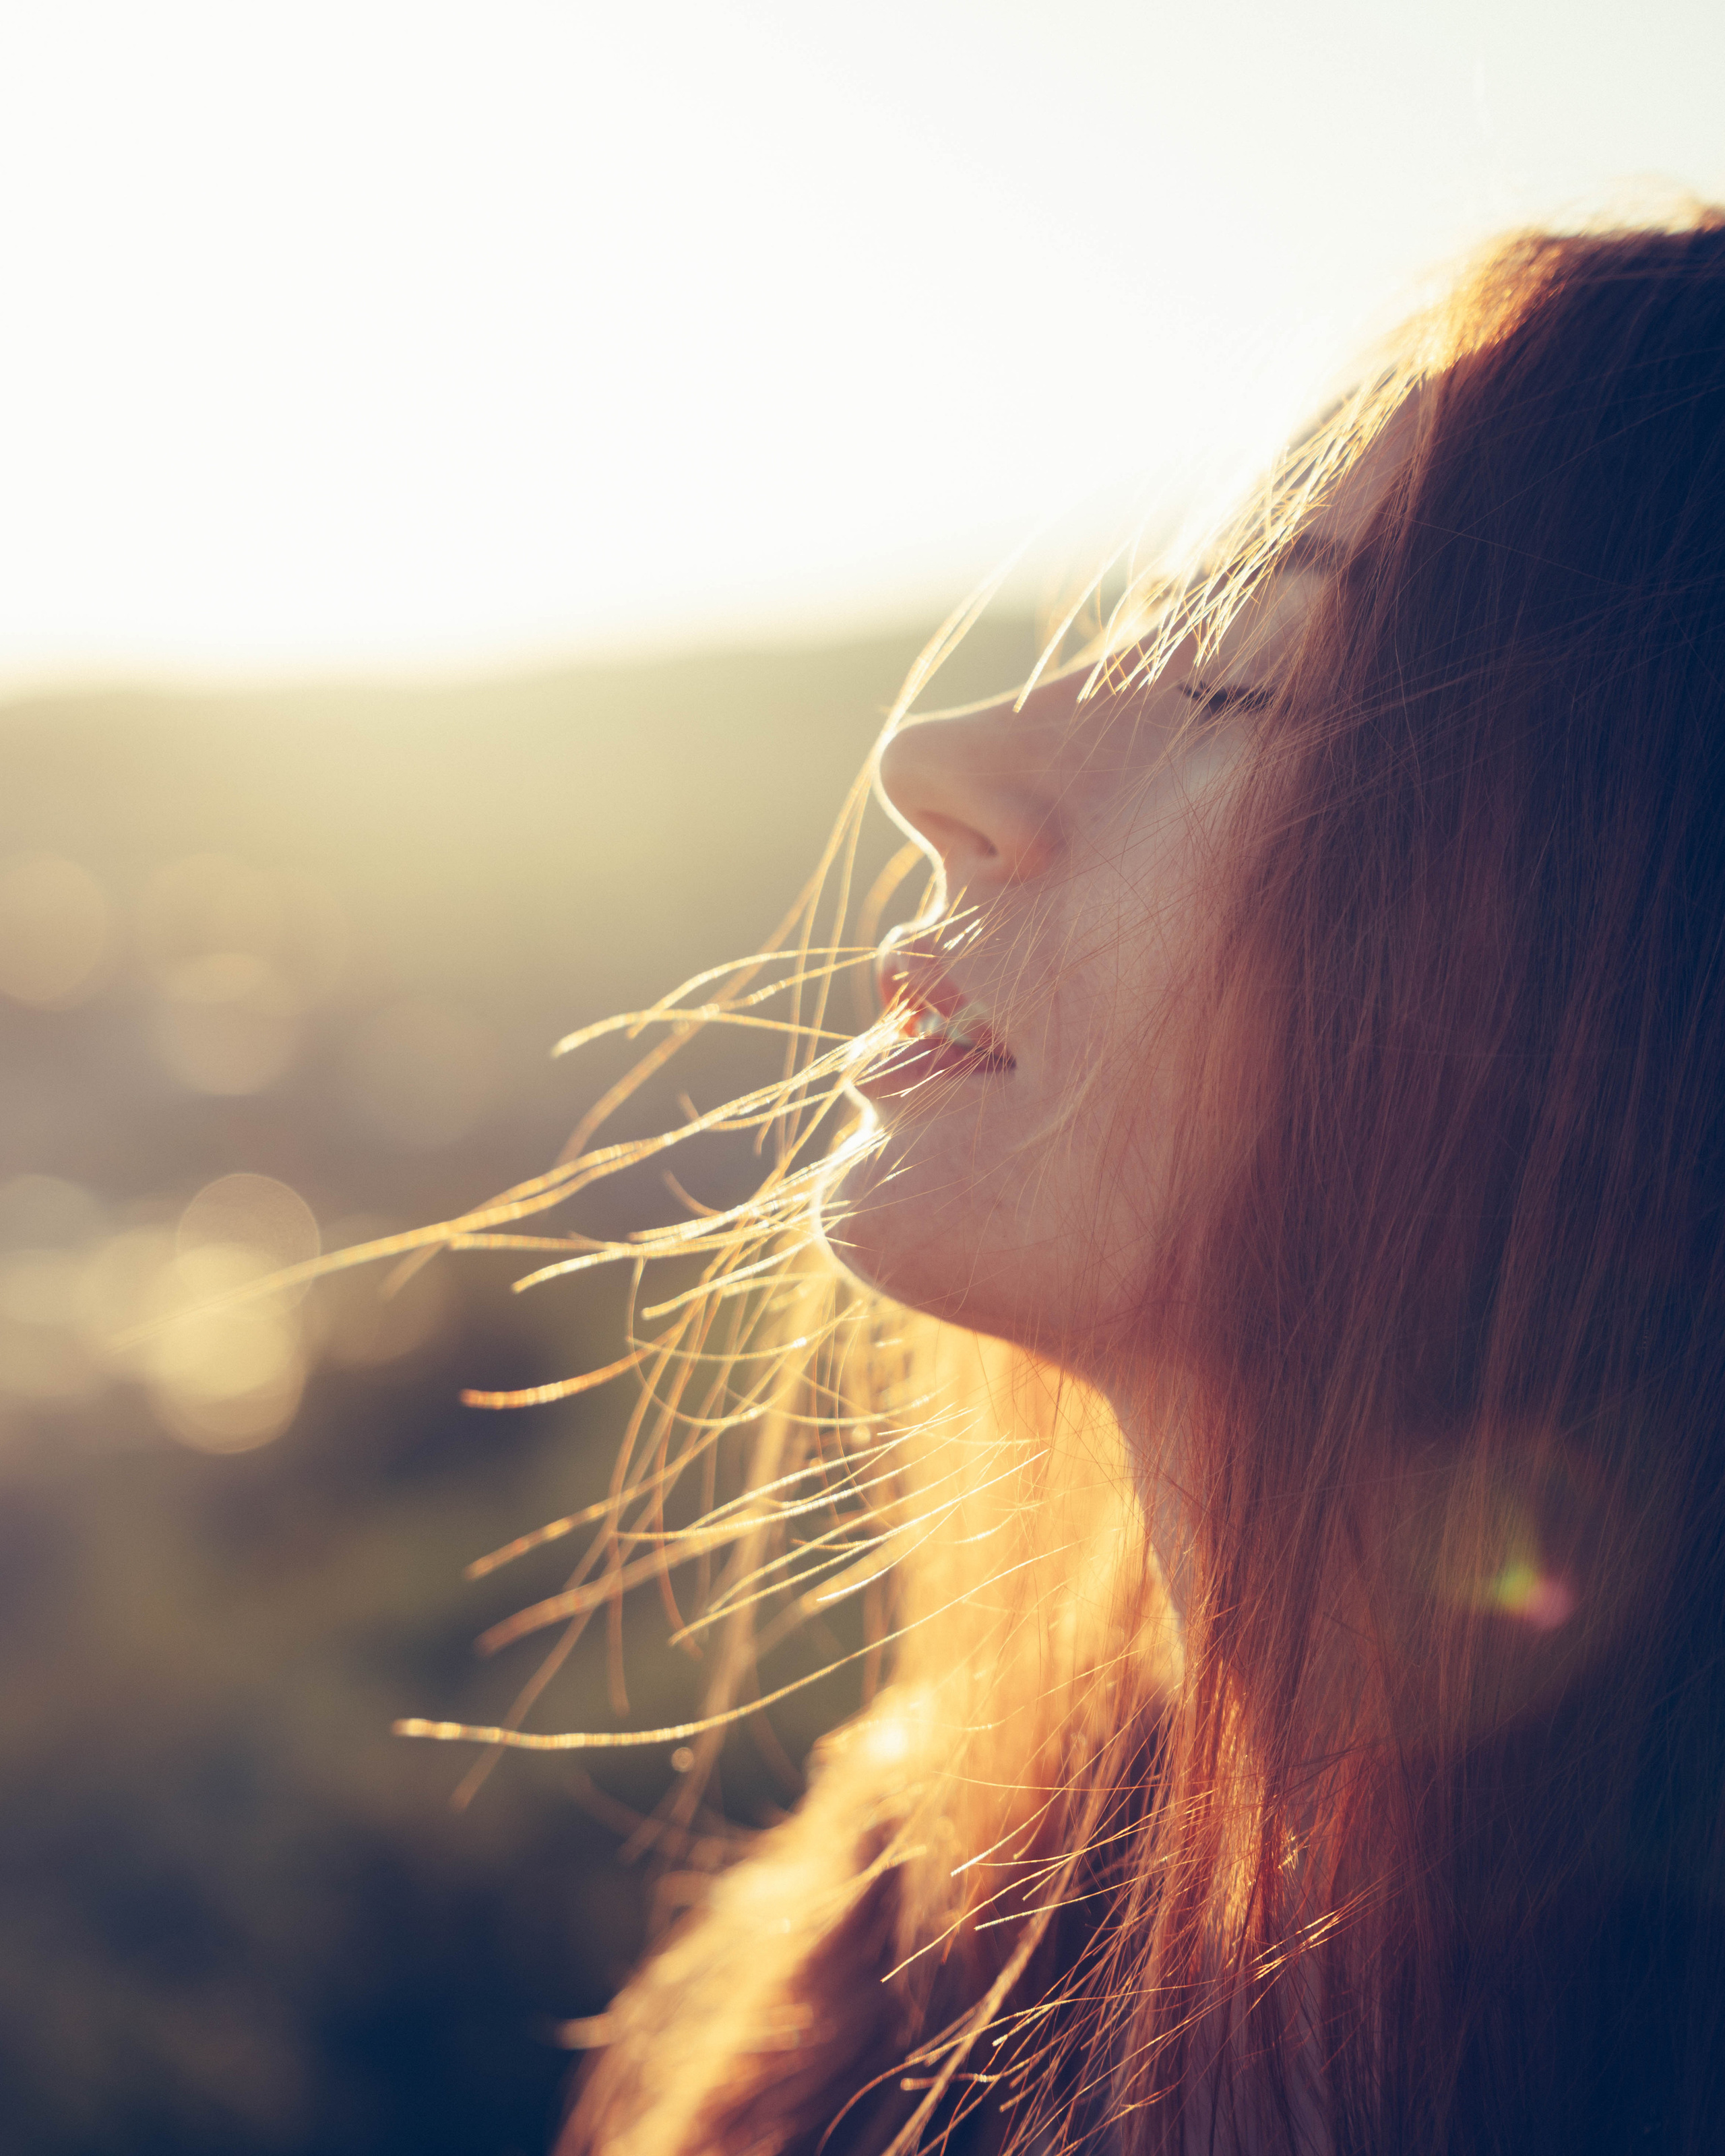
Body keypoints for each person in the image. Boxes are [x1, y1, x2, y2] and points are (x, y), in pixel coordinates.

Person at [400, 209, 1725, 2153]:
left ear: (1633, 956)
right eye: (1153, 639)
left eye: (1249, 682)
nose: (939, 761)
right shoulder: (916, 1917)